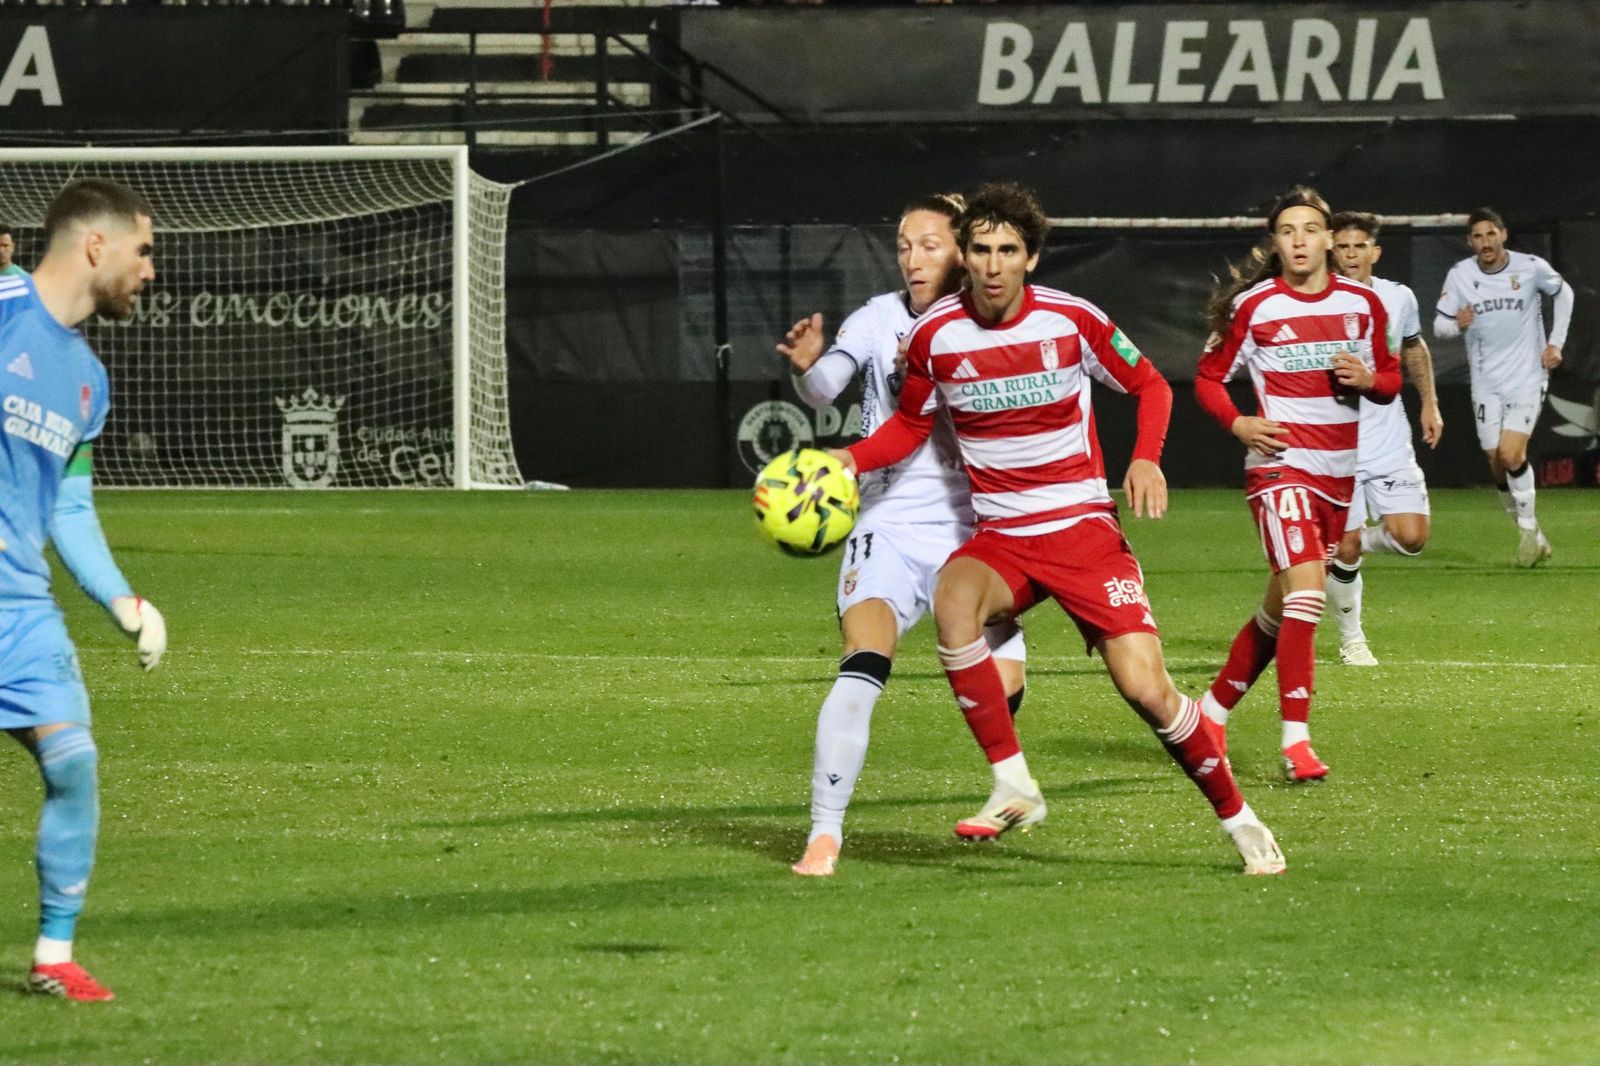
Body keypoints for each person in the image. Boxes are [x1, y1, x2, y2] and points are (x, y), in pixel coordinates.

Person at [832, 181, 1284, 875]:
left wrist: (1144, 460)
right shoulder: (933, 336)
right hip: (1003, 538)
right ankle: (1013, 781)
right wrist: (845, 458)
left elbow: (1151, 386)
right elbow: (909, 427)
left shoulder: (1072, 320)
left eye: (1006, 250)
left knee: (1149, 693)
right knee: (954, 601)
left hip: (1081, 531)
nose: (990, 264)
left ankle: (1239, 818)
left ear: (1031, 258)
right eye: (979, 249)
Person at [777, 193, 1026, 878]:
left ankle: (1011, 790)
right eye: (904, 244)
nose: (913, 258)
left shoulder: (990, 327)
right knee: (864, 656)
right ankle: (824, 835)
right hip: (888, 522)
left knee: (1005, 687)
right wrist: (809, 365)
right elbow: (829, 387)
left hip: (976, 529)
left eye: (929, 243)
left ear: (965, 250)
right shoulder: (881, 317)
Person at [2, 179, 168, 1002]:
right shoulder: (0, 302)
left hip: (20, 607)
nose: (150, 270)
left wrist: (120, 598)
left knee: (74, 764)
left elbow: (68, 505)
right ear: (95, 245)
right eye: (143, 250)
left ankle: (53, 956)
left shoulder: (88, 382)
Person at [1194, 187, 1401, 782]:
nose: (1300, 240)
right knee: (1309, 594)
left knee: (1279, 611)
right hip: (1280, 470)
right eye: (1288, 231)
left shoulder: (1364, 305)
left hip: (1338, 479)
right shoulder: (1255, 307)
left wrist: (1368, 377)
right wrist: (1238, 421)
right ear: (1276, 242)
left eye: (1310, 229)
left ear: (1329, 239)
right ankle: (1296, 743)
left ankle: (1209, 714)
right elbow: (1208, 379)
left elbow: (1388, 382)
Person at [1324, 211, 1443, 666]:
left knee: (1411, 538)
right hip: (1340, 441)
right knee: (1347, 548)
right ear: (1332, 251)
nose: (1351, 255)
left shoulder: (1398, 297)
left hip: (1389, 436)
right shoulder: (1322, 302)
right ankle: (1353, 639)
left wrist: (1429, 402)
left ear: (1375, 252)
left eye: (1359, 247)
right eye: (1343, 247)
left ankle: (1342, 550)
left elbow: (1413, 346)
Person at [1433, 207, 1573, 567]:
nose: (1485, 242)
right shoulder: (1460, 275)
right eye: (1477, 237)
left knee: (1512, 455)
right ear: (1470, 242)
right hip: (1486, 384)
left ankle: (1527, 531)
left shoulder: (1530, 267)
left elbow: (1564, 293)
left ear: (1503, 234)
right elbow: (1440, 326)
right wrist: (1458, 324)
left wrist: (1555, 342)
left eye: (1490, 234)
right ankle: (1534, 537)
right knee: (1496, 464)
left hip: (1527, 377)